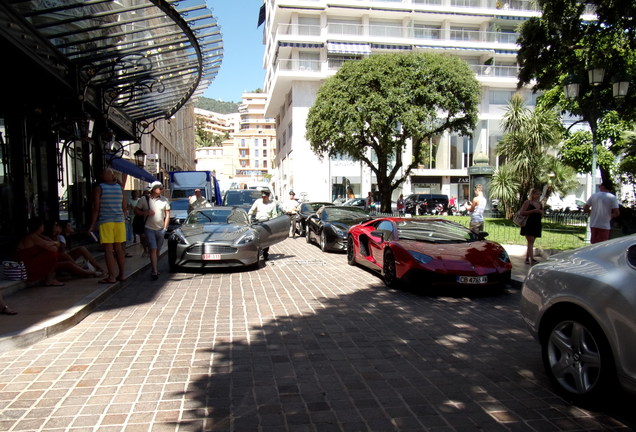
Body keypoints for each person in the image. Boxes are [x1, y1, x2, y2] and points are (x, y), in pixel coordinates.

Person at [88, 168, 127, 284]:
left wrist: (92, 225)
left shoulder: (99, 188)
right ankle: (122, 274)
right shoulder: (120, 188)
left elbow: (96, 208)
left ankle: (111, 276)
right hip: (119, 221)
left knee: (108, 250)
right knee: (119, 249)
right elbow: (124, 207)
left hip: (106, 221)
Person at [135, 181, 170, 280]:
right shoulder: (144, 199)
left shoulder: (164, 200)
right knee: (153, 249)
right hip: (149, 228)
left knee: (157, 250)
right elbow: (136, 210)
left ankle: (155, 266)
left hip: (160, 229)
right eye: (160, 188)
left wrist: (165, 228)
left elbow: (167, 214)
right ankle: (154, 270)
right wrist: (145, 212)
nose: (161, 189)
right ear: (154, 189)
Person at [15, 217, 64, 286]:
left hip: (32, 261)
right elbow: (46, 244)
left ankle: (50, 278)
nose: (43, 226)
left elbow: (52, 246)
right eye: (42, 225)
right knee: (51, 254)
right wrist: (55, 243)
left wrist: (53, 243)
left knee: (54, 252)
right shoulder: (32, 236)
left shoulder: (39, 236)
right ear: (39, 226)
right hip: (26, 264)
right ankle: (49, 280)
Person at [248, 190, 279, 260]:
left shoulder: (272, 204)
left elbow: (274, 215)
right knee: (258, 238)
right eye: (262, 197)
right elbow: (252, 210)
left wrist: (274, 223)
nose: (263, 198)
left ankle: (265, 253)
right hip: (258, 222)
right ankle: (258, 252)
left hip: (267, 223)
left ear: (268, 197)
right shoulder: (258, 202)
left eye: (265, 197)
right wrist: (249, 216)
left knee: (266, 239)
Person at [519, 188, 544, 264]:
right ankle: (532, 259)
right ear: (532, 194)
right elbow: (522, 212)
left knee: (531, 242)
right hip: (528, 223)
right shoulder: (528, 202)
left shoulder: (540, 204)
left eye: (539, 194)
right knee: (530, 241)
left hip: (536, 223)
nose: (538, 196)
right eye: (537, 194)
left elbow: (542, 214)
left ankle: (527, 258)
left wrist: (541, 212)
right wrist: (533, 211)